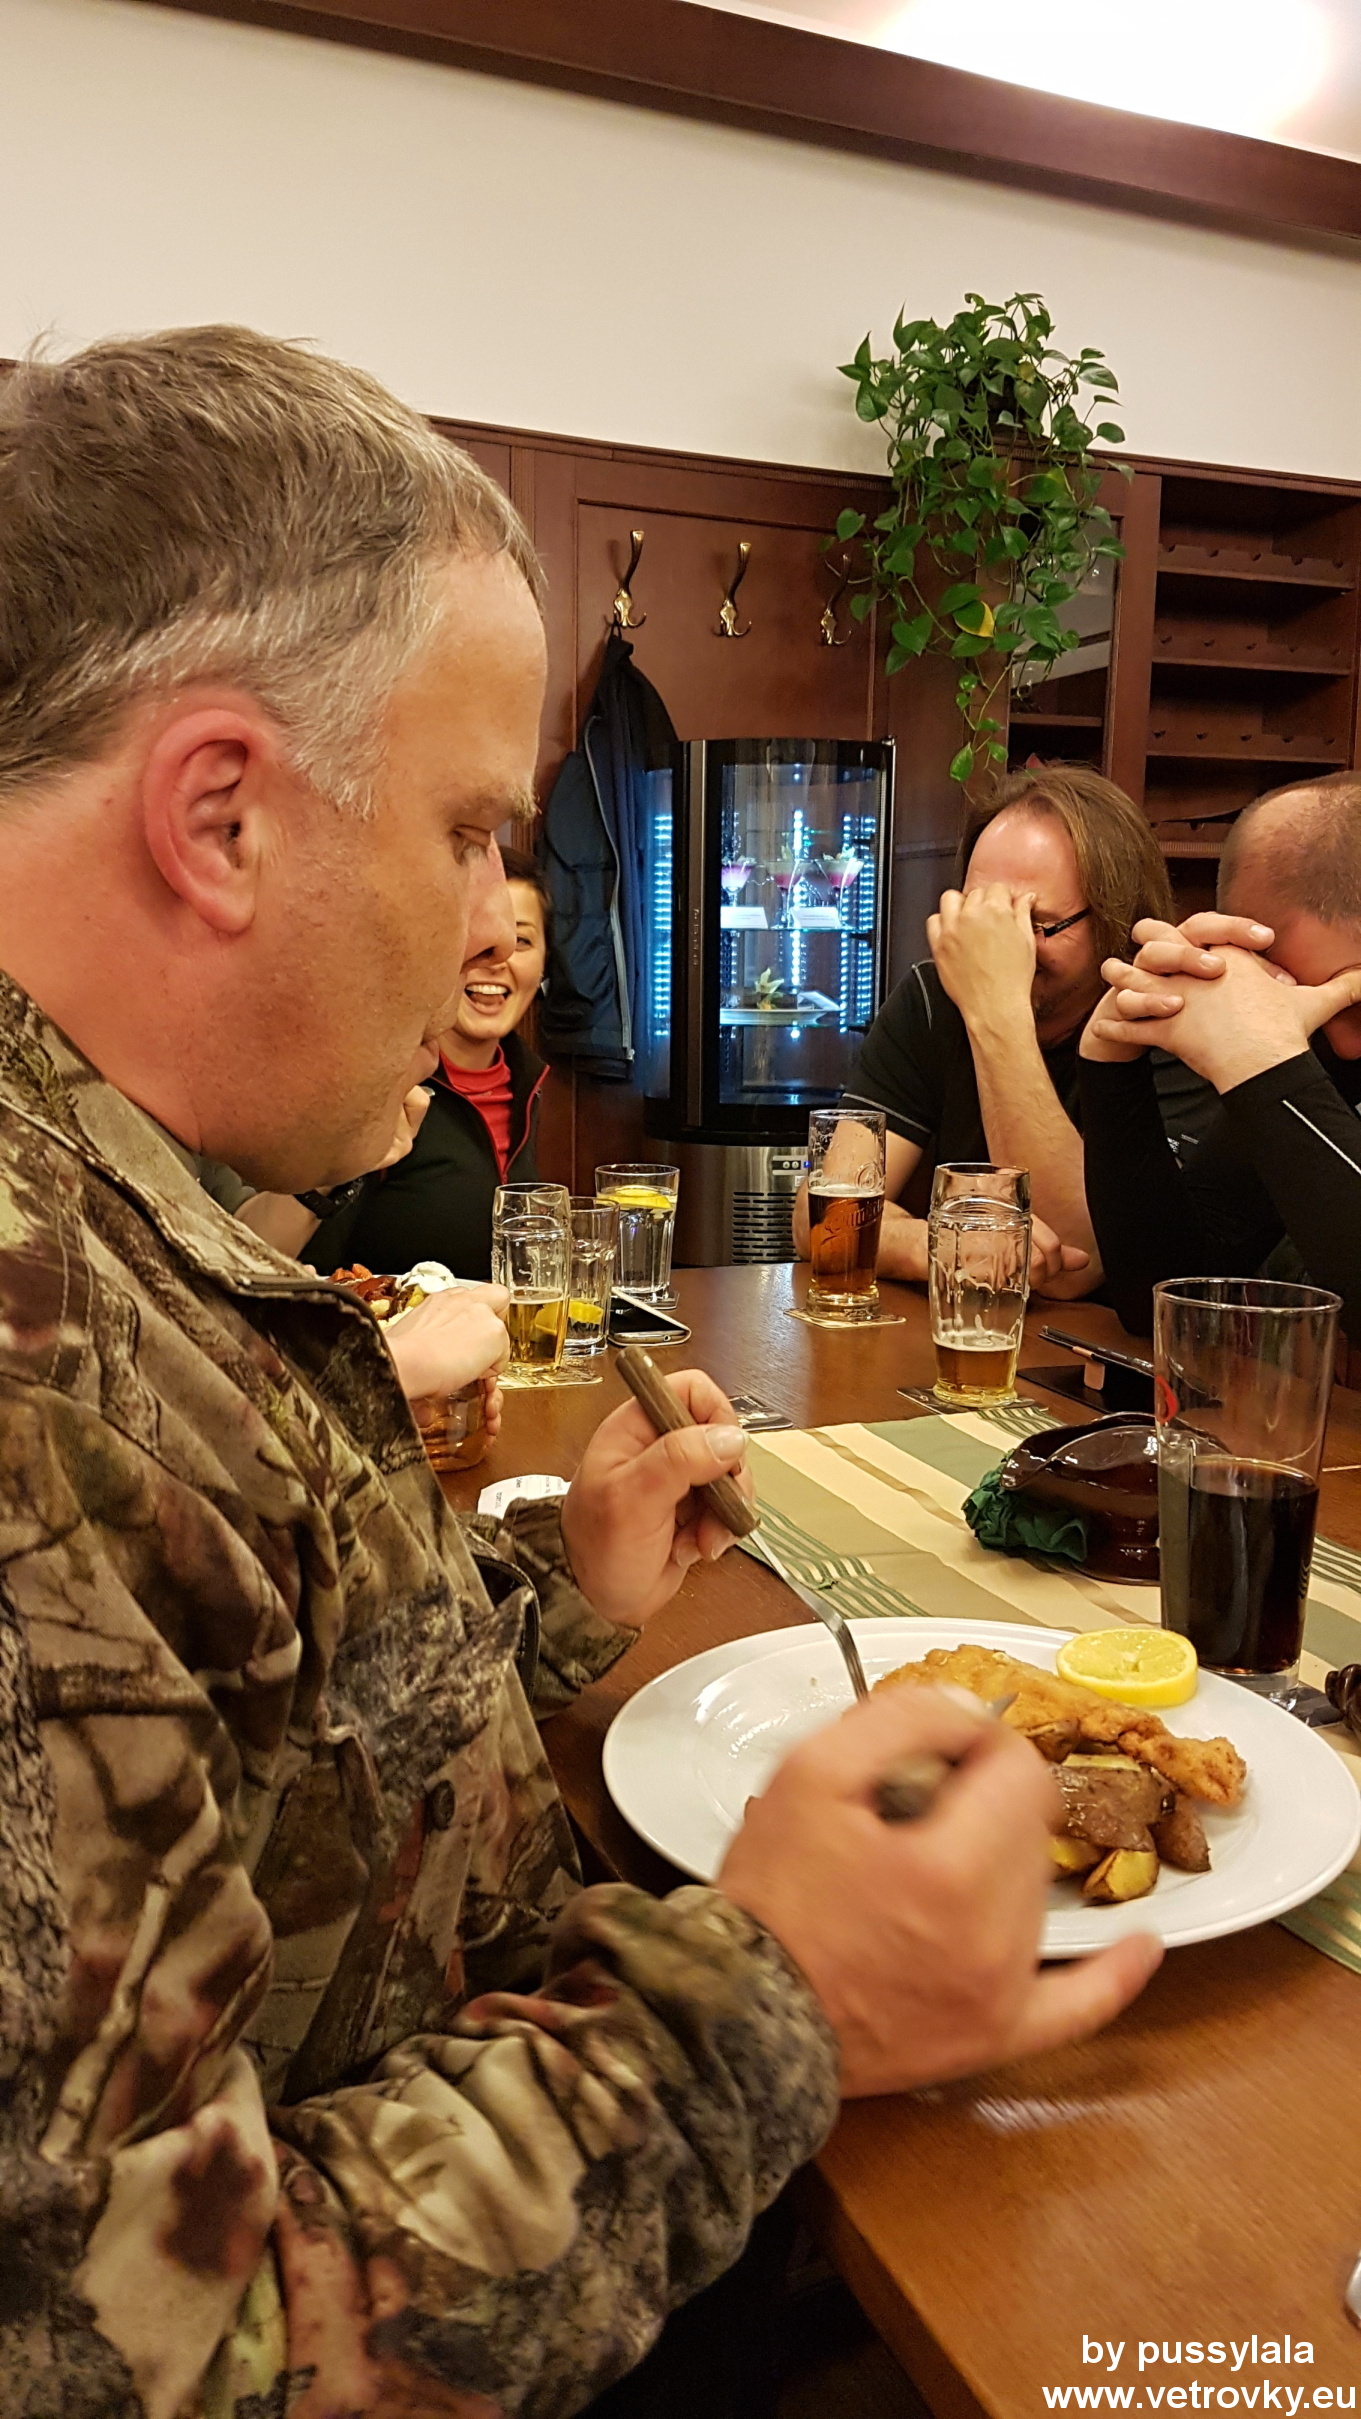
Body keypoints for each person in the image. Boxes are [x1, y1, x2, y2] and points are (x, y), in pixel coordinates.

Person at [0, 328, 1157, 2419]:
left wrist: (547, 1599)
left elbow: (251, 1723)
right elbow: (142, 2357)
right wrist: (775, 1991)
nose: (492, 928)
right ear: (219, 816)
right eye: (468, 830)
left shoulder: (122, 1197)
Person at [793, 766, 1215, 1296]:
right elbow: (821, 1220)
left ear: (1115, 919)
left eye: (1035, 922)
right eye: (983, 913)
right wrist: (941, 1245)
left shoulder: (1169, 1019)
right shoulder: (932, 999)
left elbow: (1077, 1267)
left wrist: (995, 1010)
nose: (1001, 944)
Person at [1078, 772, 1361, 1338]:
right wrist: (1112, 1059)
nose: (1348, 1045)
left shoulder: (1284, 1059)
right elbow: (1167, 1301)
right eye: (1298, 1001)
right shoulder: (1324, 1051)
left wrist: (1268, 1063)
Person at [306, 843, 551, 1277]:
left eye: (521, 940)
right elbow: (298, 1262)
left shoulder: (529, 1083)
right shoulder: (380, 1081)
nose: (497, 959)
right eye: (472, 933)